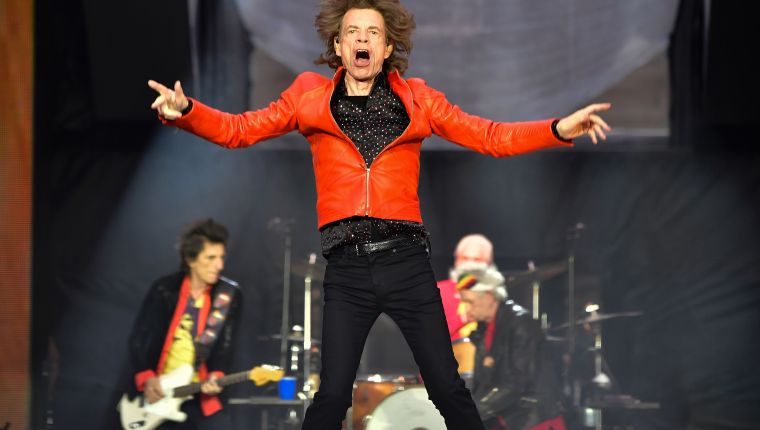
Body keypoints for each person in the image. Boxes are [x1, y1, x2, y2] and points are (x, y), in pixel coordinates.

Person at [147, 1, 610, 428]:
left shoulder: (419, 99)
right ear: (338, 45)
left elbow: (489, 136)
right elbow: (239, 130)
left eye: (373, 32)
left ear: (387, 48)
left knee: (447, 388)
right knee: (331, 396)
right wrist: (185, 111)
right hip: (347, 268)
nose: (362, 39)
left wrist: (558, 128)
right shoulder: (308, 97)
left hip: (405, 261)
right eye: (353, 32)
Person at [127, 219, 240, 429]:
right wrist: (148, 378)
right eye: (211, 258)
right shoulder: (164, 289)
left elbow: (228, 346)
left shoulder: (228, 295)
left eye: (222, 257)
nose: (220, 265)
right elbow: (139, 338)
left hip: (201, 396)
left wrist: (217, 375)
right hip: (160, 395)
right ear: (190, 259)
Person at [459, 267, 566, 430]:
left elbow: (516, 382)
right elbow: (485, 381)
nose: (466, 309)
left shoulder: (520, 323)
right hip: (508, 417)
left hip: (534, 419)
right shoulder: (483, 329)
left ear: (489, 296)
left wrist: (472, 411)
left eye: (470, 302)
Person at [438, 234, 495, 342]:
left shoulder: (494, 293)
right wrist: (463, 318)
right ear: (456, 261)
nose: (470, 264)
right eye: (464, 258)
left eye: (477, 259)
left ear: (489, 263)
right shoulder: (439, 290)